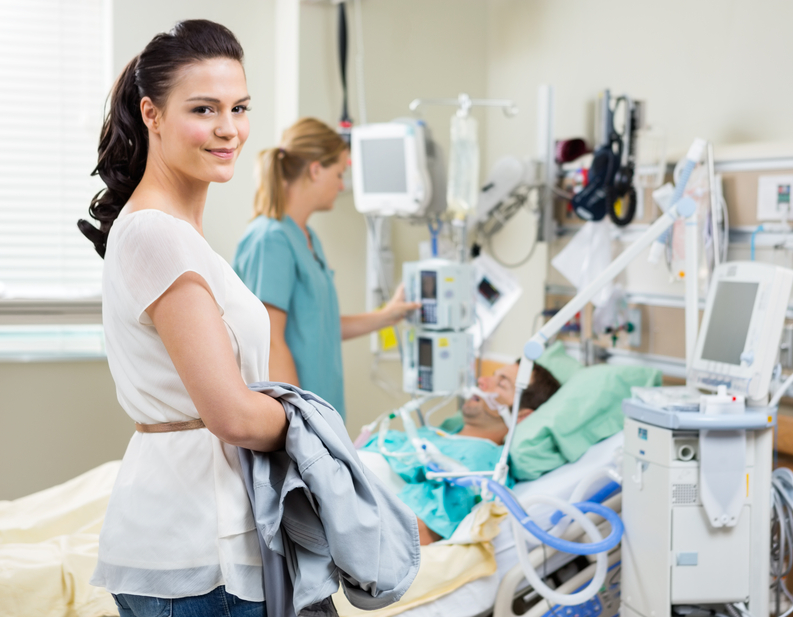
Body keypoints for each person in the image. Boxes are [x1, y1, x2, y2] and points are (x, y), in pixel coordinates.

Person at [77, 20, 284, 617]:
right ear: (152, 114)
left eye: (239, 108)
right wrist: (312, 425)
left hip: (163, 538)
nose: (229, 129)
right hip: (202, 549)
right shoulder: (158, 236)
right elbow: (228, 412)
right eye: (204, 110)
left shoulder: (159, 230)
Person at [233, 118, 419, 420]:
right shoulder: (271, 240)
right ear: (316, 170)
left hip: (322, 410)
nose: (341, 185)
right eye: (339, 173)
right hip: (296, 418)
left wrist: (388, 316)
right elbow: (271, 341)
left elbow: (319, 325)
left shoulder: (308, 238)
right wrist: (298, 425)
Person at [363, 362, 562, 545]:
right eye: (493, 375)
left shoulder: (479, 462)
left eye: (502, 384)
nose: (482, 381)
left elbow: (411, 534)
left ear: (522, 415)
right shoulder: (435, 434)